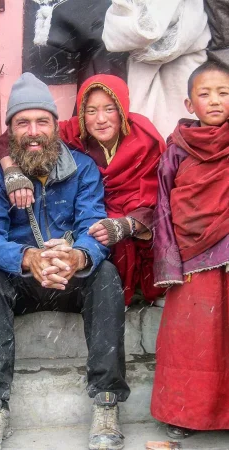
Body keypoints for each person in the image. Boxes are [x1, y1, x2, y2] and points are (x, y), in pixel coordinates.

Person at [0, 73, 129, 450]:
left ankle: (106, 403)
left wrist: (78, 256)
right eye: (23, 123)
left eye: (42, 121)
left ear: (57, 127)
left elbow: (94, 227)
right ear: (10, 130)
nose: (34, 131)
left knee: (105, 273)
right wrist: (26, 257)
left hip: (69, 277)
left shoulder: (83, 168)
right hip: (22, 279)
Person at [0, 74, 166, 306]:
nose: (100, 119)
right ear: (81, 114)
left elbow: (161, 200)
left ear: (123, 110)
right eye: (91, 111)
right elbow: (11, 139)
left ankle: (145, 292)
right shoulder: (70, 131)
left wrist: (129, 224)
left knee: (103, 257)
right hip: (99, 214)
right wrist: (11, 169)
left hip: (130, 220)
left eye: (109, 109)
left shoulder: (144, 140)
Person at [150, 61, 229, 438]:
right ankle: (185, 415)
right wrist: (168, 264)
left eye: (224, 93)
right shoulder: (176, 151)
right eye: (205, 93)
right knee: (193, 341)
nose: (215, 100)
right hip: (193, 258)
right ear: (189, 103)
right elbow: (163, 207)